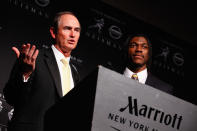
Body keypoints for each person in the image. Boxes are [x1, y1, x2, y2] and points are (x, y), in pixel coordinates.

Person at [3, 11, 81, 131]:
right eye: (67, 28)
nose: (73, 34)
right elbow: (11, 97)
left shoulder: (74, 73)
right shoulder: (33, 58)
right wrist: (25, 74)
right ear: (53, 32)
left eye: (77, 30)